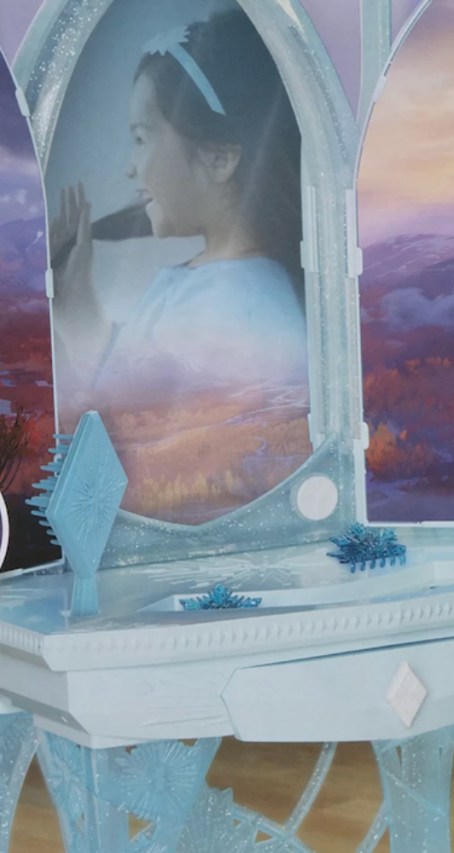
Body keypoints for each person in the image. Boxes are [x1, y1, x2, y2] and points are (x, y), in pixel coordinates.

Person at [51, 9, 309, 524]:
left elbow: (147, 464)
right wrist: (74, 294)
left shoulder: (239, 310)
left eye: (142, 138)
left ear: (219, 158)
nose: (130, 166)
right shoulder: (212, 286)